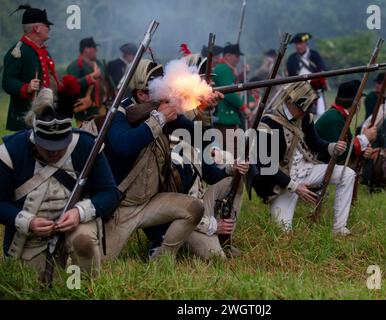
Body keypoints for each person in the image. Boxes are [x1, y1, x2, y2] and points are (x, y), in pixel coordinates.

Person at [97, 59, 224, 261]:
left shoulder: (160, 110)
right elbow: (124, 145)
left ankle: (162, 257)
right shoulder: (119, 114)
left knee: (194, 208)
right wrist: (159, 120)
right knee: (98, 264)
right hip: (121, 206)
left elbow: (199, 137)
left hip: (153, 201)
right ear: (141, 94)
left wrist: (202, 107)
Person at [0, 88, 121, 277]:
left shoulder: (87, 146)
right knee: (40, 287)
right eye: (47, 146)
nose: (54, 152)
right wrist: (28, 222)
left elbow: (110, 193)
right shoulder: (11, 152)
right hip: (31, 239)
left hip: (78, 226)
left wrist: (79, 213)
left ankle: (84, 288)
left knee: (83, 243)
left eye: (60, 144)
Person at [251, 82, 354, 236]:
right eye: (302, 108)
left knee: (348, 174)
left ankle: (339, 228)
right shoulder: (267, 125)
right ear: (290, 102)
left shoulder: (305, 117)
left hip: (306, 170)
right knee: (282, 234)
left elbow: (314, 142)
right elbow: (267, 166)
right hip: (283, 183)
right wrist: (295, 186)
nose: (304, 112)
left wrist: (332, 147)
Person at [2, 5, 60, 131]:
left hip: (44, 116)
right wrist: (26, 87)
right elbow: (7, 82)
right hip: (25, 118)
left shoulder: (43, 52)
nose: (49, 28)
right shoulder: (18, 51)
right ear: (37, 28)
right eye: (46, 25)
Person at [315, 80, 376, 164]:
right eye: (360, 99)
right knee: (349, 174)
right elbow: (339, 154)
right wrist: (365, 138)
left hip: (323, 163)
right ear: (356, 102)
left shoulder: (339, 116)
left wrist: (364, 150)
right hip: (318, 164)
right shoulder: (335, 118)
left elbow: (348, 144)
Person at [213, 43, 252, 151]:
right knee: (235, 152)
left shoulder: (225, 69)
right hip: (225, 118)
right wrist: (244, 108)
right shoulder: (223, 69)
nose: (238, 59)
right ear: (228, 56)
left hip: (225, 118)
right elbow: (229, 92)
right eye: (236, 56)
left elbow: (232, 85)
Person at [66, 37, 111, 124]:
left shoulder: (98, 63)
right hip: (85, 111)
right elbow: (71, 86)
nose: (96, 50)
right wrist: (91, 77)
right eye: (94, 48)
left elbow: (107, 78)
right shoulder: (75, 66)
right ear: (86, 49)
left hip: (102, 107)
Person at [286, 33, 327, 117]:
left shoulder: (314, 55)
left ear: (306, 43)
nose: (298, 46)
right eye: (296, 44)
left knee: (320, 115)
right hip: (299, 92)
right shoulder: (291, 59)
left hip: (316, 91)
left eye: (300, 44)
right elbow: (290, 77)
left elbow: (322, 70)